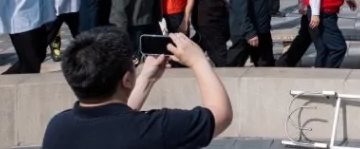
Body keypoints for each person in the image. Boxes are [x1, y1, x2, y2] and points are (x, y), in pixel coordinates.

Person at [41, 28, 232, 149]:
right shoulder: (157, 128)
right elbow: (220, 115)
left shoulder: (57, 128)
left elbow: (113, 124)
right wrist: (198, 60)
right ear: (126, 80)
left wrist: (145, 80)